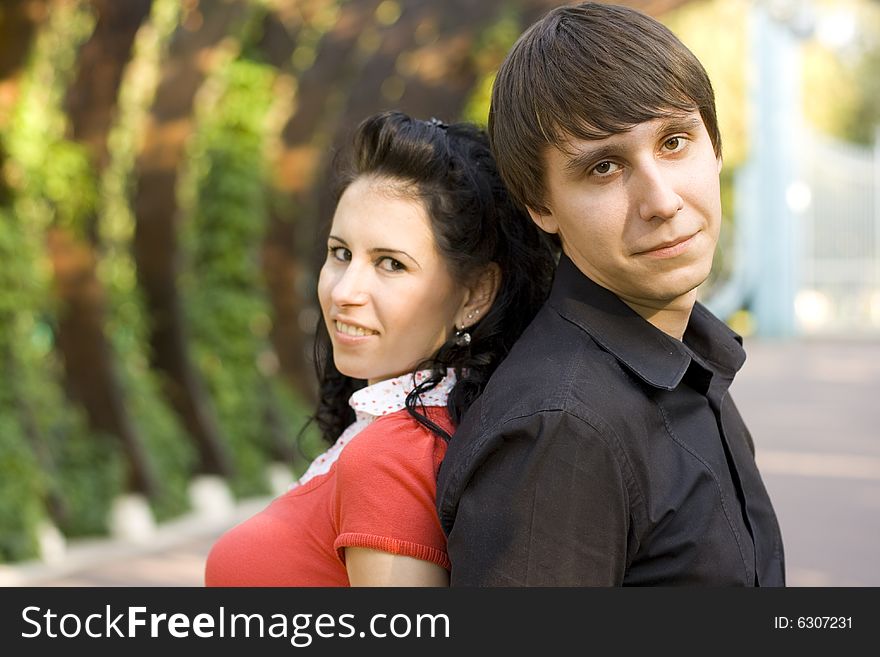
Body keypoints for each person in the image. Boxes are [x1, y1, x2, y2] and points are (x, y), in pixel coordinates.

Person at [436, 2, 786, 586]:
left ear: (716, 147)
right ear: (541, 206)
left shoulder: (686, 362)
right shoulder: (562, 430)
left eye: (675, 142)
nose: (662, 201)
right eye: (604, 168)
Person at [204, 110, 556, 586]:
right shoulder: (419, 430)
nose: (345, 290)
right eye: (341, 253)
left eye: (390, 264)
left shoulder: (393, 453)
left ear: (475, 294)